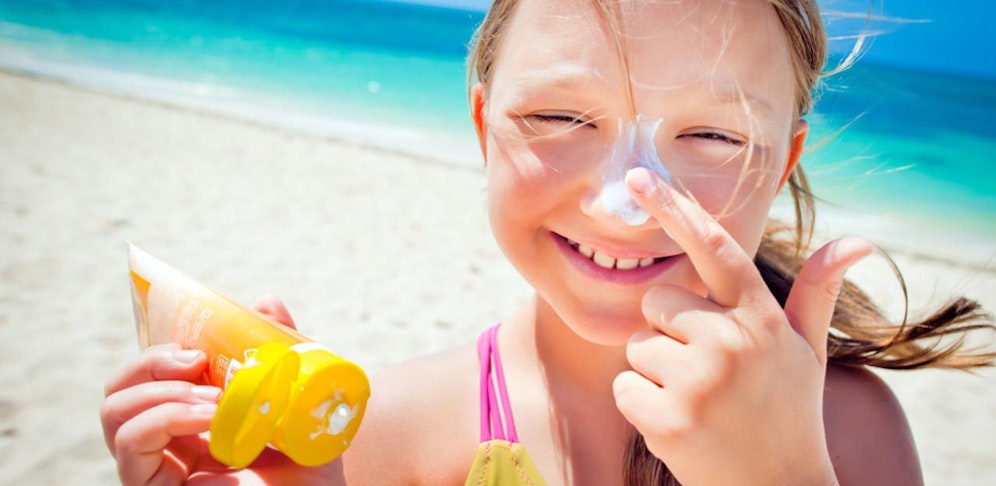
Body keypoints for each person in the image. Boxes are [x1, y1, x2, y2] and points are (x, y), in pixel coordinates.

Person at [101, 0, 995, 484]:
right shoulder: (385, 439)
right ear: (483, 124)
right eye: (561, 117)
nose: (625, 206)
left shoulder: (844, 430)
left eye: (714, 136)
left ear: (783, 161)